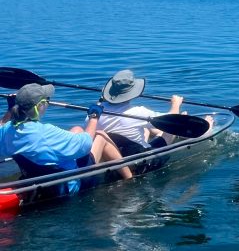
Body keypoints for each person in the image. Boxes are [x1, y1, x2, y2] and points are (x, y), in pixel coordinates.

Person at [0, 83, 132, 195]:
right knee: (101, 135)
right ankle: (130, 180)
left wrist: (10, 112)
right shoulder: (45, 132)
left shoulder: (8, 130)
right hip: (69, 183)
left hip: (36, 178)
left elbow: (2, 126)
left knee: (77, 130)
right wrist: (94, 117)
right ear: (40, 106)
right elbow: (86, 144)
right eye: (46, 101)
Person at [96, 69, 187, 158]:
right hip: (140, 159)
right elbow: (170, 120)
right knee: (168, 131)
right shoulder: (137, 112)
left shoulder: (95, 112)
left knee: (145, 128)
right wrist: (176, 104)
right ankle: (182, 127)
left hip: (114, 154)